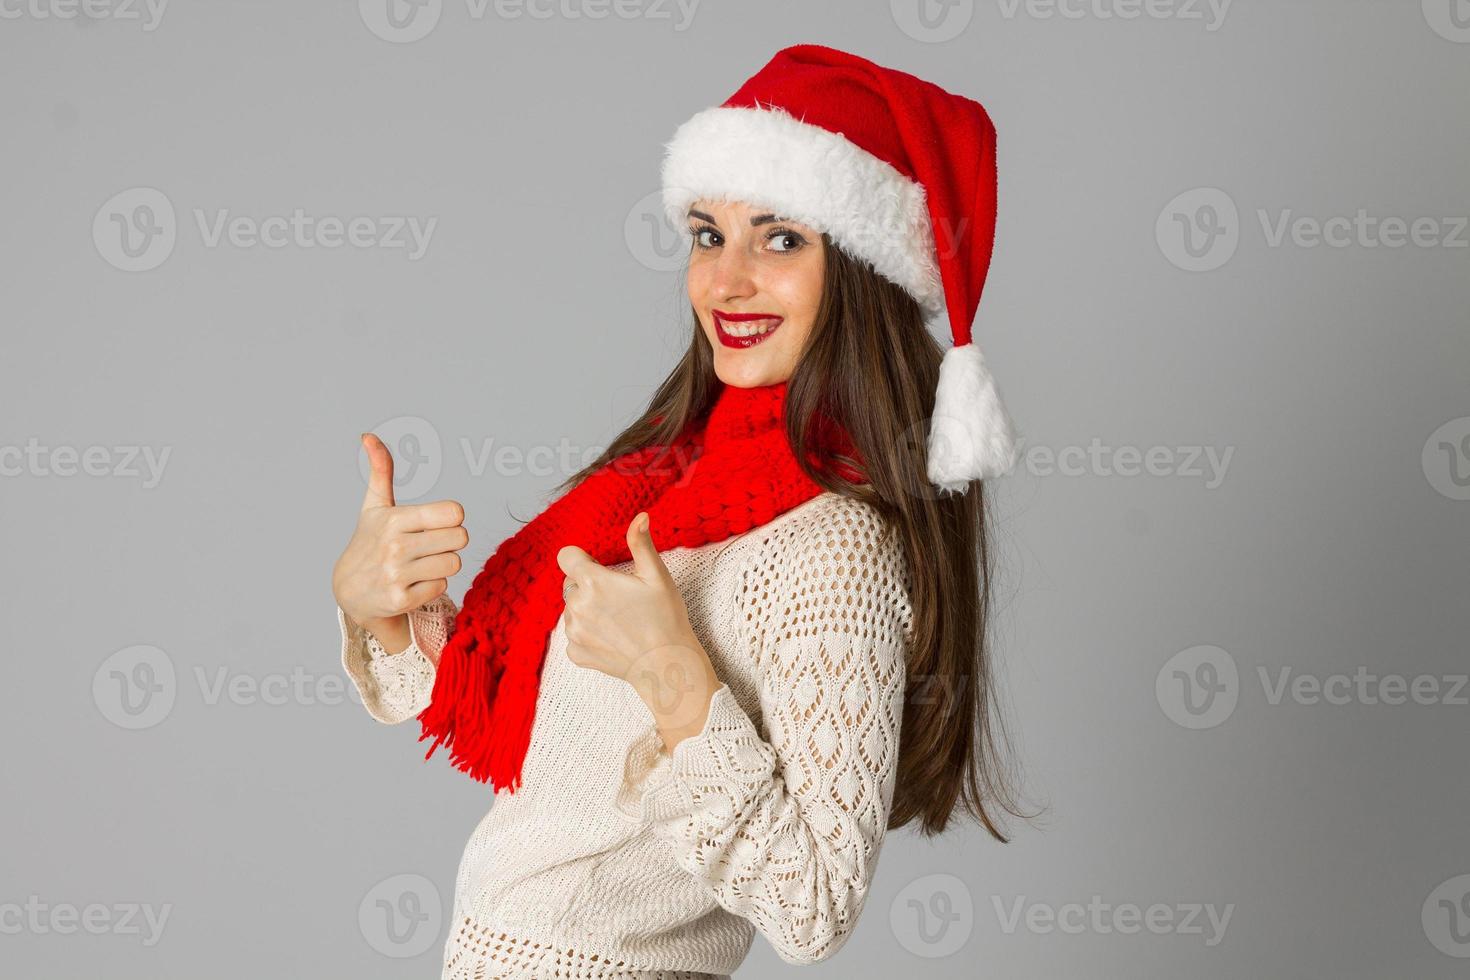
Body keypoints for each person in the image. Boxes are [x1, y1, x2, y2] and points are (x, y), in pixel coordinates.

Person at [331, 43, 1032, 980]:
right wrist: (381, 608)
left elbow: (813, 907)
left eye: (781, 239)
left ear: (864, 269)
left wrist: (673, 676)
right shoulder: (665, 481)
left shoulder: (836, 550)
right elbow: (551, 751)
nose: (726, 280)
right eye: (709, 234)